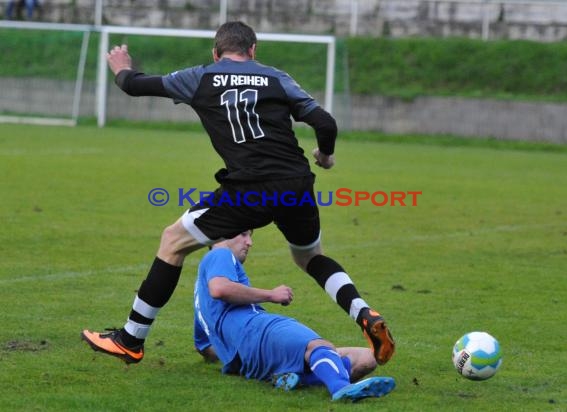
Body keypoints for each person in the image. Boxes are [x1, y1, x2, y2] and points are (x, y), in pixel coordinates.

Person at [81, 21, 394, 367]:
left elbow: (133, 85)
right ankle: (364, 313)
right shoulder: (276, 77)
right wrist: (326, 154)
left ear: (216, 53)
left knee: (173, 241)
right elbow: (325, 123)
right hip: (296, 183)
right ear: (253, 50)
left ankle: (130, 339)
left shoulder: (202, 76)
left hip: (249, 189)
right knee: (310, 258)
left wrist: (122, 67)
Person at [192, 230, 395, 401]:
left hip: (247, 361)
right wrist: (271, 295)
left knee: (368, 359)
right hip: (256, 330)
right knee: (317, 346)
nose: (249, 242)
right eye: (244, 234)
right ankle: (341, 388)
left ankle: (299, 378)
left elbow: (205, 348)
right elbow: (220, 288)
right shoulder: (219, 253)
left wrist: (235, 357)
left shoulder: (199, 301)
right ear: (220, 235)